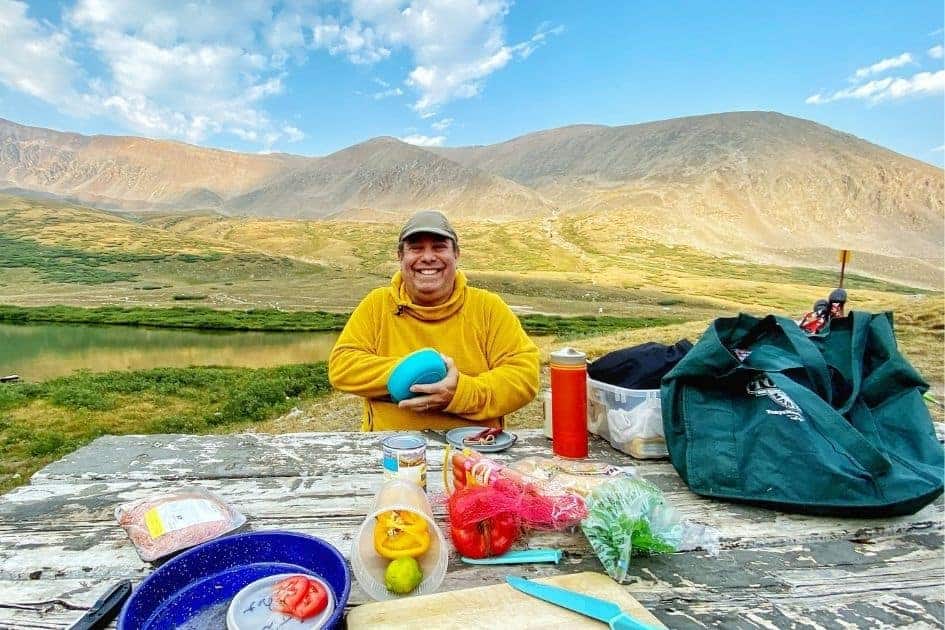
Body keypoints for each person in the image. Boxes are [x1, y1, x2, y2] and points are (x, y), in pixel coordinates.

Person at [328, 210, 540, 431]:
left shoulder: (488, 307)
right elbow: (343, 367)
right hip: (390, 446)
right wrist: (415, 372)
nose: (428, 257)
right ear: (400, 256)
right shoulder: (377, 305)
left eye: (439, 247)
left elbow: (524, 376)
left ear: (456, 254)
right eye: (416, 248)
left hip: (475, 446)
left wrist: (460, 393)